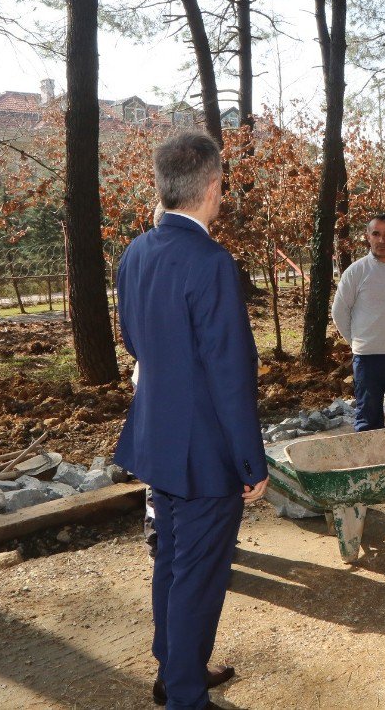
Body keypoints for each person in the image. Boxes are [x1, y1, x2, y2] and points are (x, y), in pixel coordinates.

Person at [115, 130, 269, 709]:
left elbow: (134, 339)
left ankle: (174, 669)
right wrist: (250, 463)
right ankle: (184, 694)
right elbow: (231, 374)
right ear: (212, 188)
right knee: (199, 577)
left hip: (157, 433)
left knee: (173, 563)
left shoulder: (136, 252)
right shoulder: (210, 262)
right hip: (205, 451)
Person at [331, 214, 385, 431]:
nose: (382, 240)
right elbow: (339, 311)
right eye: (376, 234)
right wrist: (358, 342)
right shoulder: (356, 271)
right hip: (369, 358)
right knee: (369, 418)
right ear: (368, 237)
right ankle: (373, 462)